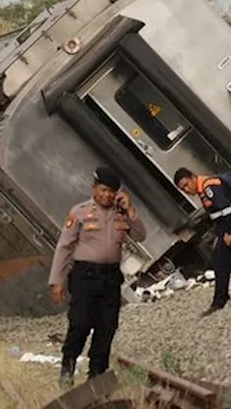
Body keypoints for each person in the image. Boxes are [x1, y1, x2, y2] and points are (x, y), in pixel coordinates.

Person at [49, 166, 146, 389]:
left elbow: (141, 235)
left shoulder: (122, 213)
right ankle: (68, 364)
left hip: (111, 278)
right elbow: (64, 247)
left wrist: (131, 209)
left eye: (112, 192)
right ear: (93, 189)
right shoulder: (80, 212)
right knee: (80, 323)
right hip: (85, 276)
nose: (107, 195)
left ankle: (97, 375)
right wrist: (58, 281)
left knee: (107, 326)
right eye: (103, 190)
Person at [174, 167, 231, 315]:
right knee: (219, 258)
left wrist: (228, 233)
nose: (186, 190)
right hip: (228, 225)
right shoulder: (203, 190)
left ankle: (219, 300)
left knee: (221, 258)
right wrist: (219, 235)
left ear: (193, 177)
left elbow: (229, 210)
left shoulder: (210, 187)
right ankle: (222, 296)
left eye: (186, 185)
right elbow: (217, 215)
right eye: (182, 189)